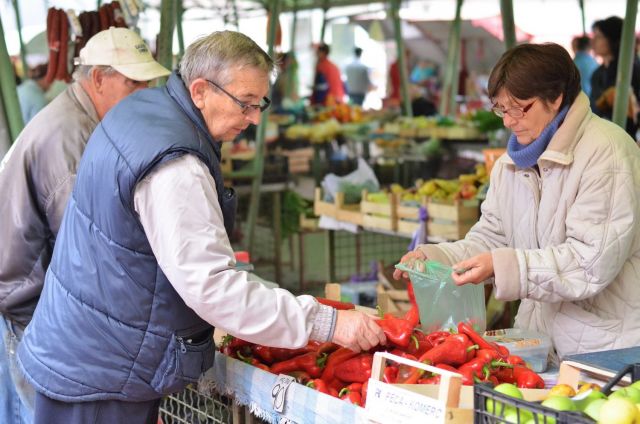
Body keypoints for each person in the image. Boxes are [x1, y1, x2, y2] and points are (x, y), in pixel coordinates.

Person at [17, 31, 385, 423]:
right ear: (200, 91)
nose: (255, 118)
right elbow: (213, 288)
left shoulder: (140, 110)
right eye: (245, 104)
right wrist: (327, 322)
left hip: (88, 350)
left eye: (260, 103)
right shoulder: (176, 167)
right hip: (101, 373)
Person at [394, 43, 640, 358]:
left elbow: (588, 262)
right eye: (500, 108)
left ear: (556, 97)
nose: (508, 121)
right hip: (541, 342)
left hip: (608, 349)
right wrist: (437, 257)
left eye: (518, 107)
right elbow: (491, 238)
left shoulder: (607, 153)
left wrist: (504, 265)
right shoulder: (511, 165)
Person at [0, 27, 170, 424]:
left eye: (148, 83)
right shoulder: (70, 136)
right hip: (27, 307)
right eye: (134, 83)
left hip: (26, 297)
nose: (144, 94)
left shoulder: (80, 117)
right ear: (98, 79)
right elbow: (91, 253)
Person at [590, 16, 640, 138]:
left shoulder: (630, 69)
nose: (593, 41)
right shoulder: (597, 73)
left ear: (614, 39)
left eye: (599, 36)